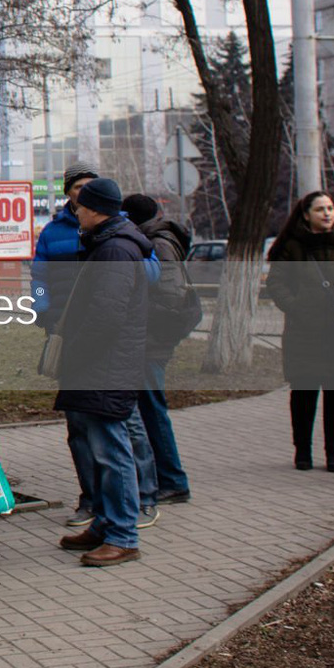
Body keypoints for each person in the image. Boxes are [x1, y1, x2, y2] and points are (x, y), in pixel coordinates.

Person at [37, 168, 158, 529]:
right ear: (68, 193)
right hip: (66, 330)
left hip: (98, 348)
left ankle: (143, 498)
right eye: (77, 188)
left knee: (121, 430)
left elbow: (146, 277)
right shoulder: (55, 231)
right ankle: (92, 502)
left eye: (88, 189)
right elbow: (38, 276)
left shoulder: (119, 239)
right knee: (81, 428)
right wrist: (40, 306)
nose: (82, 195)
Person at [267, 192, 334, 472]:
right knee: (304, 394)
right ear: (306, 215)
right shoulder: (293, 247)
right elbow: (277, 284)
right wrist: (297, 307)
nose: (327, 213)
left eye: (330, 208)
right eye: (320, 209)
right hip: (305, 332)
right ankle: (303, 453)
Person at [122, 194, 194, 503]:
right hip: (149, 338)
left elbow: (169, 296)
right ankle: (166, 477)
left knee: (152, 410)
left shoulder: (158, 243)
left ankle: (173, 480)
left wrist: (136, 317)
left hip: (152, 341)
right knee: (149, 408)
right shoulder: (153, 239)